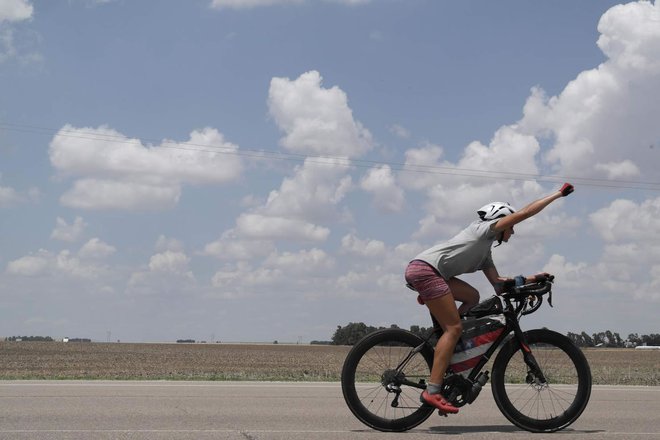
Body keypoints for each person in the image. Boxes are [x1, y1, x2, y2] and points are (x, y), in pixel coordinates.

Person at [404, 183, 574, 414]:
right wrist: (557, 194)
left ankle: (445, 333)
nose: (512, 231)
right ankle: (432, 391)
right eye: (511, 226)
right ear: (501, 220)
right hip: (426, 271)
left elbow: (499, 285)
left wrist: (533, 279)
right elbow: (525, 213)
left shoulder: (485, 252)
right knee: (454, 329)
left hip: (432, 273)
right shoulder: (482, 229)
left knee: (472, 297)